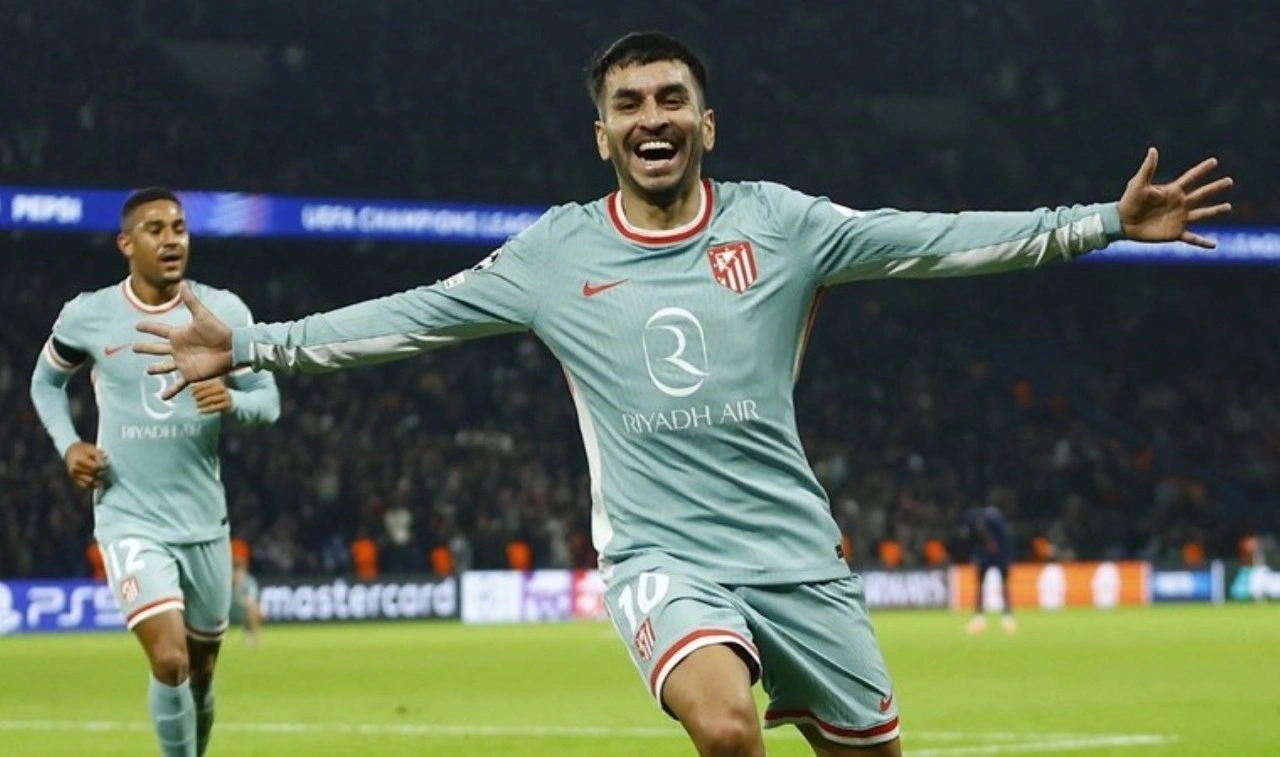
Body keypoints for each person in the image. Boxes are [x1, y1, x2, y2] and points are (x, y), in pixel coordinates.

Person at [133, 32, 1232, 757]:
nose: (649, 116)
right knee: (725, 730)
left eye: (671, 99)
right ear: (601, 134)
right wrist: (255, 344)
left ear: (706, 125)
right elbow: (412, 316)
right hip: (664, 559)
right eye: (627, 104)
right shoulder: (555, 254)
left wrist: (1102, 222)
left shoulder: (782, 224)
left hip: (796, 556)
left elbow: (937, 241)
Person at [31, 187, 281, 757]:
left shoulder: (224, 312)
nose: (171, 240)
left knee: (201, 673)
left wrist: (233, 401)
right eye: (155, 229)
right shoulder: (90, 314)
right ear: (127, 243)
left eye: (179, 228)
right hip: (129, 516)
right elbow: (45, 382)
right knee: (169, 660)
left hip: (204, 521)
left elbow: (268, 401)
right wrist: (69, 445)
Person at [963, 504, 1016, 634]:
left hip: (998, 556)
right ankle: (997, 618)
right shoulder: (996, 525)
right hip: (991, 556)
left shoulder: (996, 528)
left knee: (996, 585)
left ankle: (1004, 617)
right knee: (986, 586)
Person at [229, 549, 264, 646]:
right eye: (235, 566)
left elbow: (251, 598)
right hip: (227, 610)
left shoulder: (249, 581)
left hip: (242, 609)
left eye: (239, 566)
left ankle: (254, 637)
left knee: (254, 608)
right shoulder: (225, 580)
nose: (237, 570)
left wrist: (239, 589)